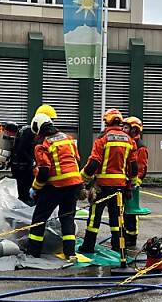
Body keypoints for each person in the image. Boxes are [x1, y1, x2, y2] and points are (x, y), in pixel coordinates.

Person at [79, 109, 137, 254]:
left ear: (107, 122)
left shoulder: (103, 139)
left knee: (94, 218)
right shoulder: (129, 140)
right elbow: (134, 167)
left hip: (102, 187)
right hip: (120, 188)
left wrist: (82, 179)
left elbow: (93, 163)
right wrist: (131, 184)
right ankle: (118, 247)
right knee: (117, 219)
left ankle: (88, 246)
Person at [26, 113, 83, 258]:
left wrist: (35, 187)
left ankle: (33, 252)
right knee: (67, 217)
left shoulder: (42, 145)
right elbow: (76, 159)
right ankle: (70, 253)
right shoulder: (68, 139)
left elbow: (44, 171)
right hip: (74, 184)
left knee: (39, 217)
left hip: (56, 186)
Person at [10, 104, 58, 205]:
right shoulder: (30, 132)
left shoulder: (32, 131)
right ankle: (26, 217)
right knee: (26, 196)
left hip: (25, 167)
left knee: (31, 195)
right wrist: (33, 162)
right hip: (23, 169)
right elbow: (21, 150)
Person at [123, 116, 148, 248]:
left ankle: (132, 238)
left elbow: (141, 168)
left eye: (126, 127)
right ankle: (125, 235)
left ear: (134, 130)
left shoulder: (140, 147)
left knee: (131, 212)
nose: (123, 129)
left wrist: (134, 184)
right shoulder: (127, 143)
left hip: (132, 184)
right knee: (123, 211)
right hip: (124, 182)